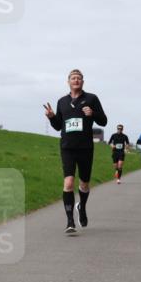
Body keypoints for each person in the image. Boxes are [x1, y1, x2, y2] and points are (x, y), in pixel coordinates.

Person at [44, 69, 108, 233]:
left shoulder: (91, 99)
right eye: (73, 78)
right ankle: (70, 221)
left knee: (84, 183)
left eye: (79, 78)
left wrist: (92, 113)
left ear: (83, 82)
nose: (76, 80)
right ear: (68, 81)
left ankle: (82, 207)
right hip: (67, 147)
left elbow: (104, 121)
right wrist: (52, 117)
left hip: (85, 147)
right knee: (69, 182)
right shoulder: (62, 102)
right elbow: (59, 125)